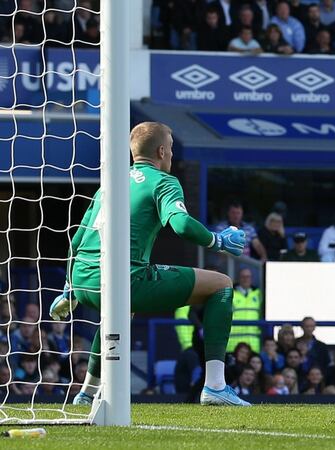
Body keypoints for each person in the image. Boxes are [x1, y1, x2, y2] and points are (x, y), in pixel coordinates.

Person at [49, 122, 250, 406]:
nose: (171, 155)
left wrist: (68, 290)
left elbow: (77, 239)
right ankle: (216, 385)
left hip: (82, 280)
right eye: (171, 149)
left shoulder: (110, 184)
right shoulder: (164, 181)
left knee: (118, 313)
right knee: (222, 285)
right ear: (161, 151)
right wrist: (217, 240)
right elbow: (180, 225)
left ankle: (86, 394)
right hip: (125, 278)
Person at [227, 268, 262, 353]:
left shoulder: (258, 294)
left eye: (248, 277)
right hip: (234, 344)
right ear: (239, 278)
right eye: (243, 277)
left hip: (253, 344)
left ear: (251, 278)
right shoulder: (230, 294)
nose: (246, 279)